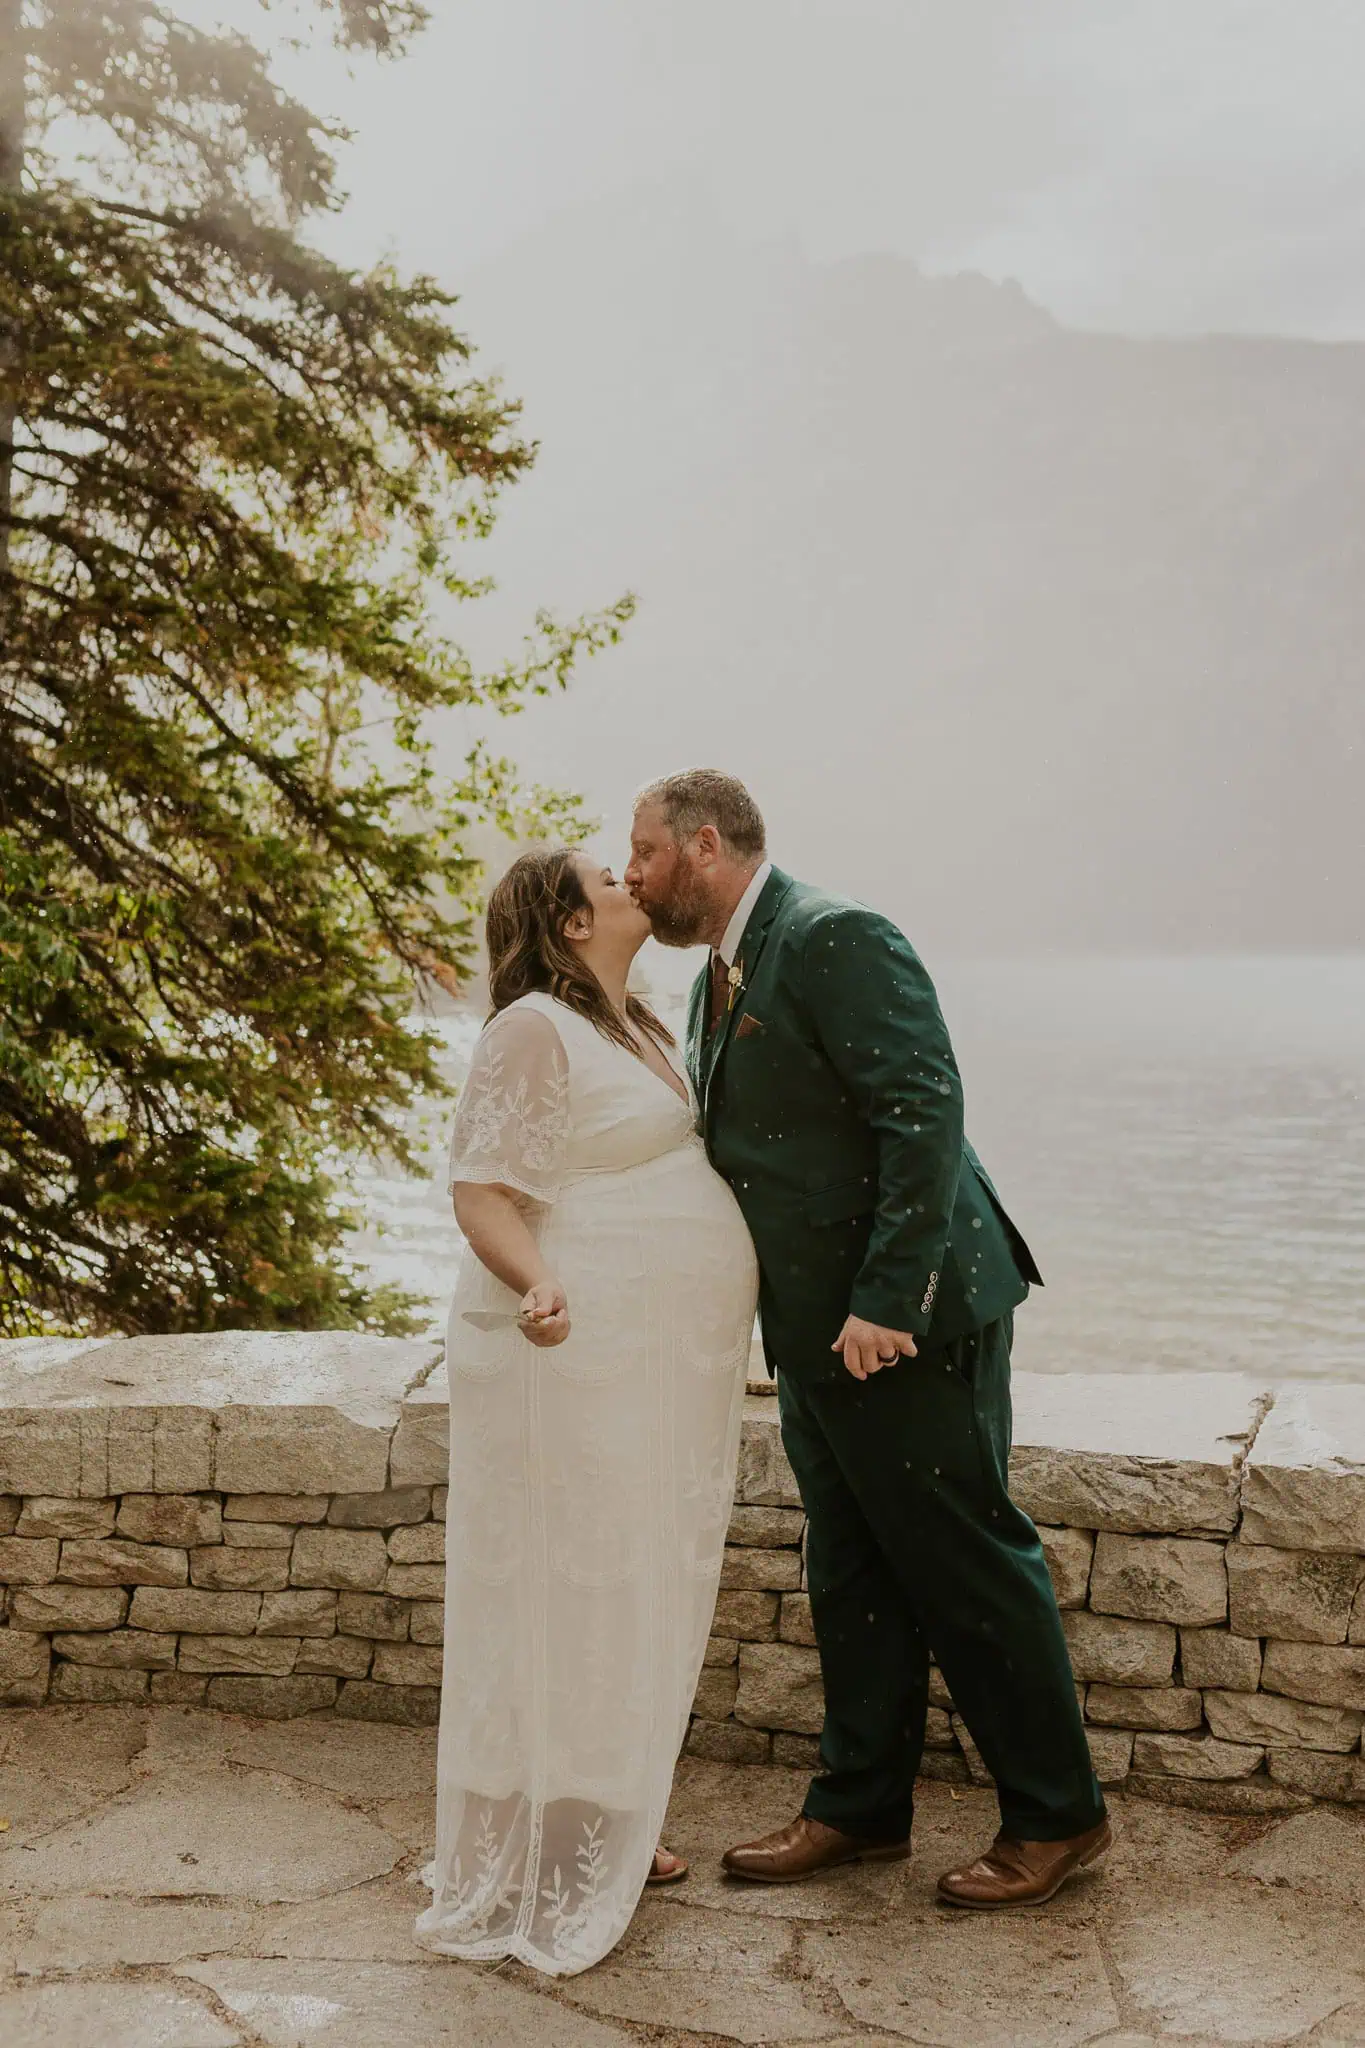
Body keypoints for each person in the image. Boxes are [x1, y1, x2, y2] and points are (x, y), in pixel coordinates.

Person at [625, 769, 1110, 1909]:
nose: (633, 873)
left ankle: (1060, 1815)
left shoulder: (835, 934)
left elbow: (922, 1110)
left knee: (969, 1561)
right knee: (848, 1568)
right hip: (814, 1336)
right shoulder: (721, 973)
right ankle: (859, 1804)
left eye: (643, 850)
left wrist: (889, 1298)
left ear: (704, 844)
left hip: (906, 1324)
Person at [415, 847, 758, 1976]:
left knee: (628, 1572)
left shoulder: (640, 1022)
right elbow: (483, 1188)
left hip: (648, 1365)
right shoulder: (532, 1027)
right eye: (611, 880)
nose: (634, 886)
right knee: (568, 1577)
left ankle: (605, 1812)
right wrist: (536, 1282)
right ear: (567, 923)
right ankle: (555, 1836)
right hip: (562, 1349)